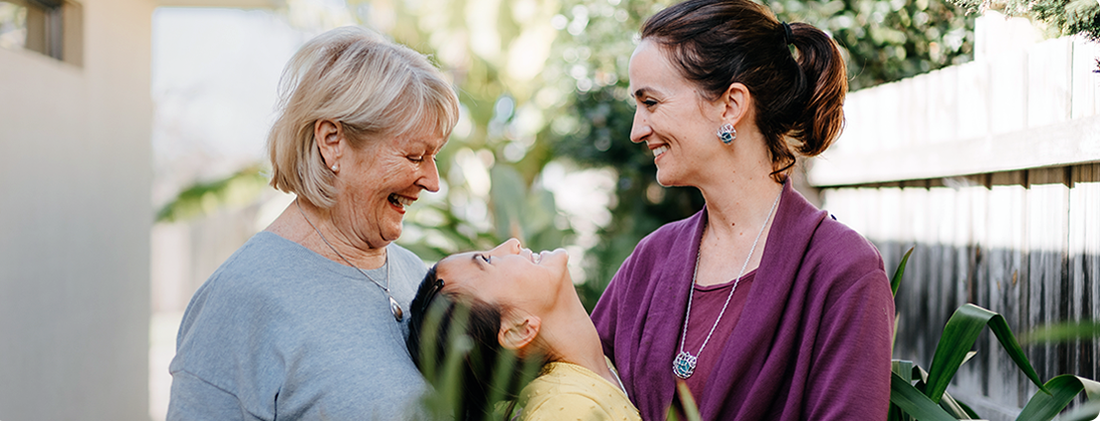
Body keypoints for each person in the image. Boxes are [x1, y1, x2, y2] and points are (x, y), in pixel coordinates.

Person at [589, 0, 895, 419]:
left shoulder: (841, 271)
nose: (637, 130)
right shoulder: (651, 259)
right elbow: (581, 380)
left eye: (652, 103)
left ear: (730, 105)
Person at [167, 26, 459, 420]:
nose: (432, 181)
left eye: (434, 156)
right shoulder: (240, 300)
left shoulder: (412, 272)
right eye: (414, 156)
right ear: (332, 142)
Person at [406, 239, 642, 421]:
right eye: (488, 261)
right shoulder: (563, 411)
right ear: (518, 329)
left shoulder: (606, 369)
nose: (513, 244)